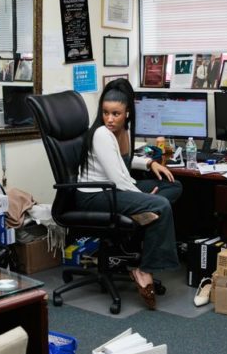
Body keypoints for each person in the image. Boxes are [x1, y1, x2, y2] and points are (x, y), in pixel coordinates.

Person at [77, 79, 182, 309]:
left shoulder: (122, 131)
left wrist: (149, 164)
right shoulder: (101, 134)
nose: (110, 118)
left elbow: (121, 161)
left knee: (174, 186)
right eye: (105, 113)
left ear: (127, 114)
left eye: (116, 113)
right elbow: (117, 178)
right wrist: (145, 200)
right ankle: (144, 270)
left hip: (113, 190)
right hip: (95, 195)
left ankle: (143, 215)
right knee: (161, 204)